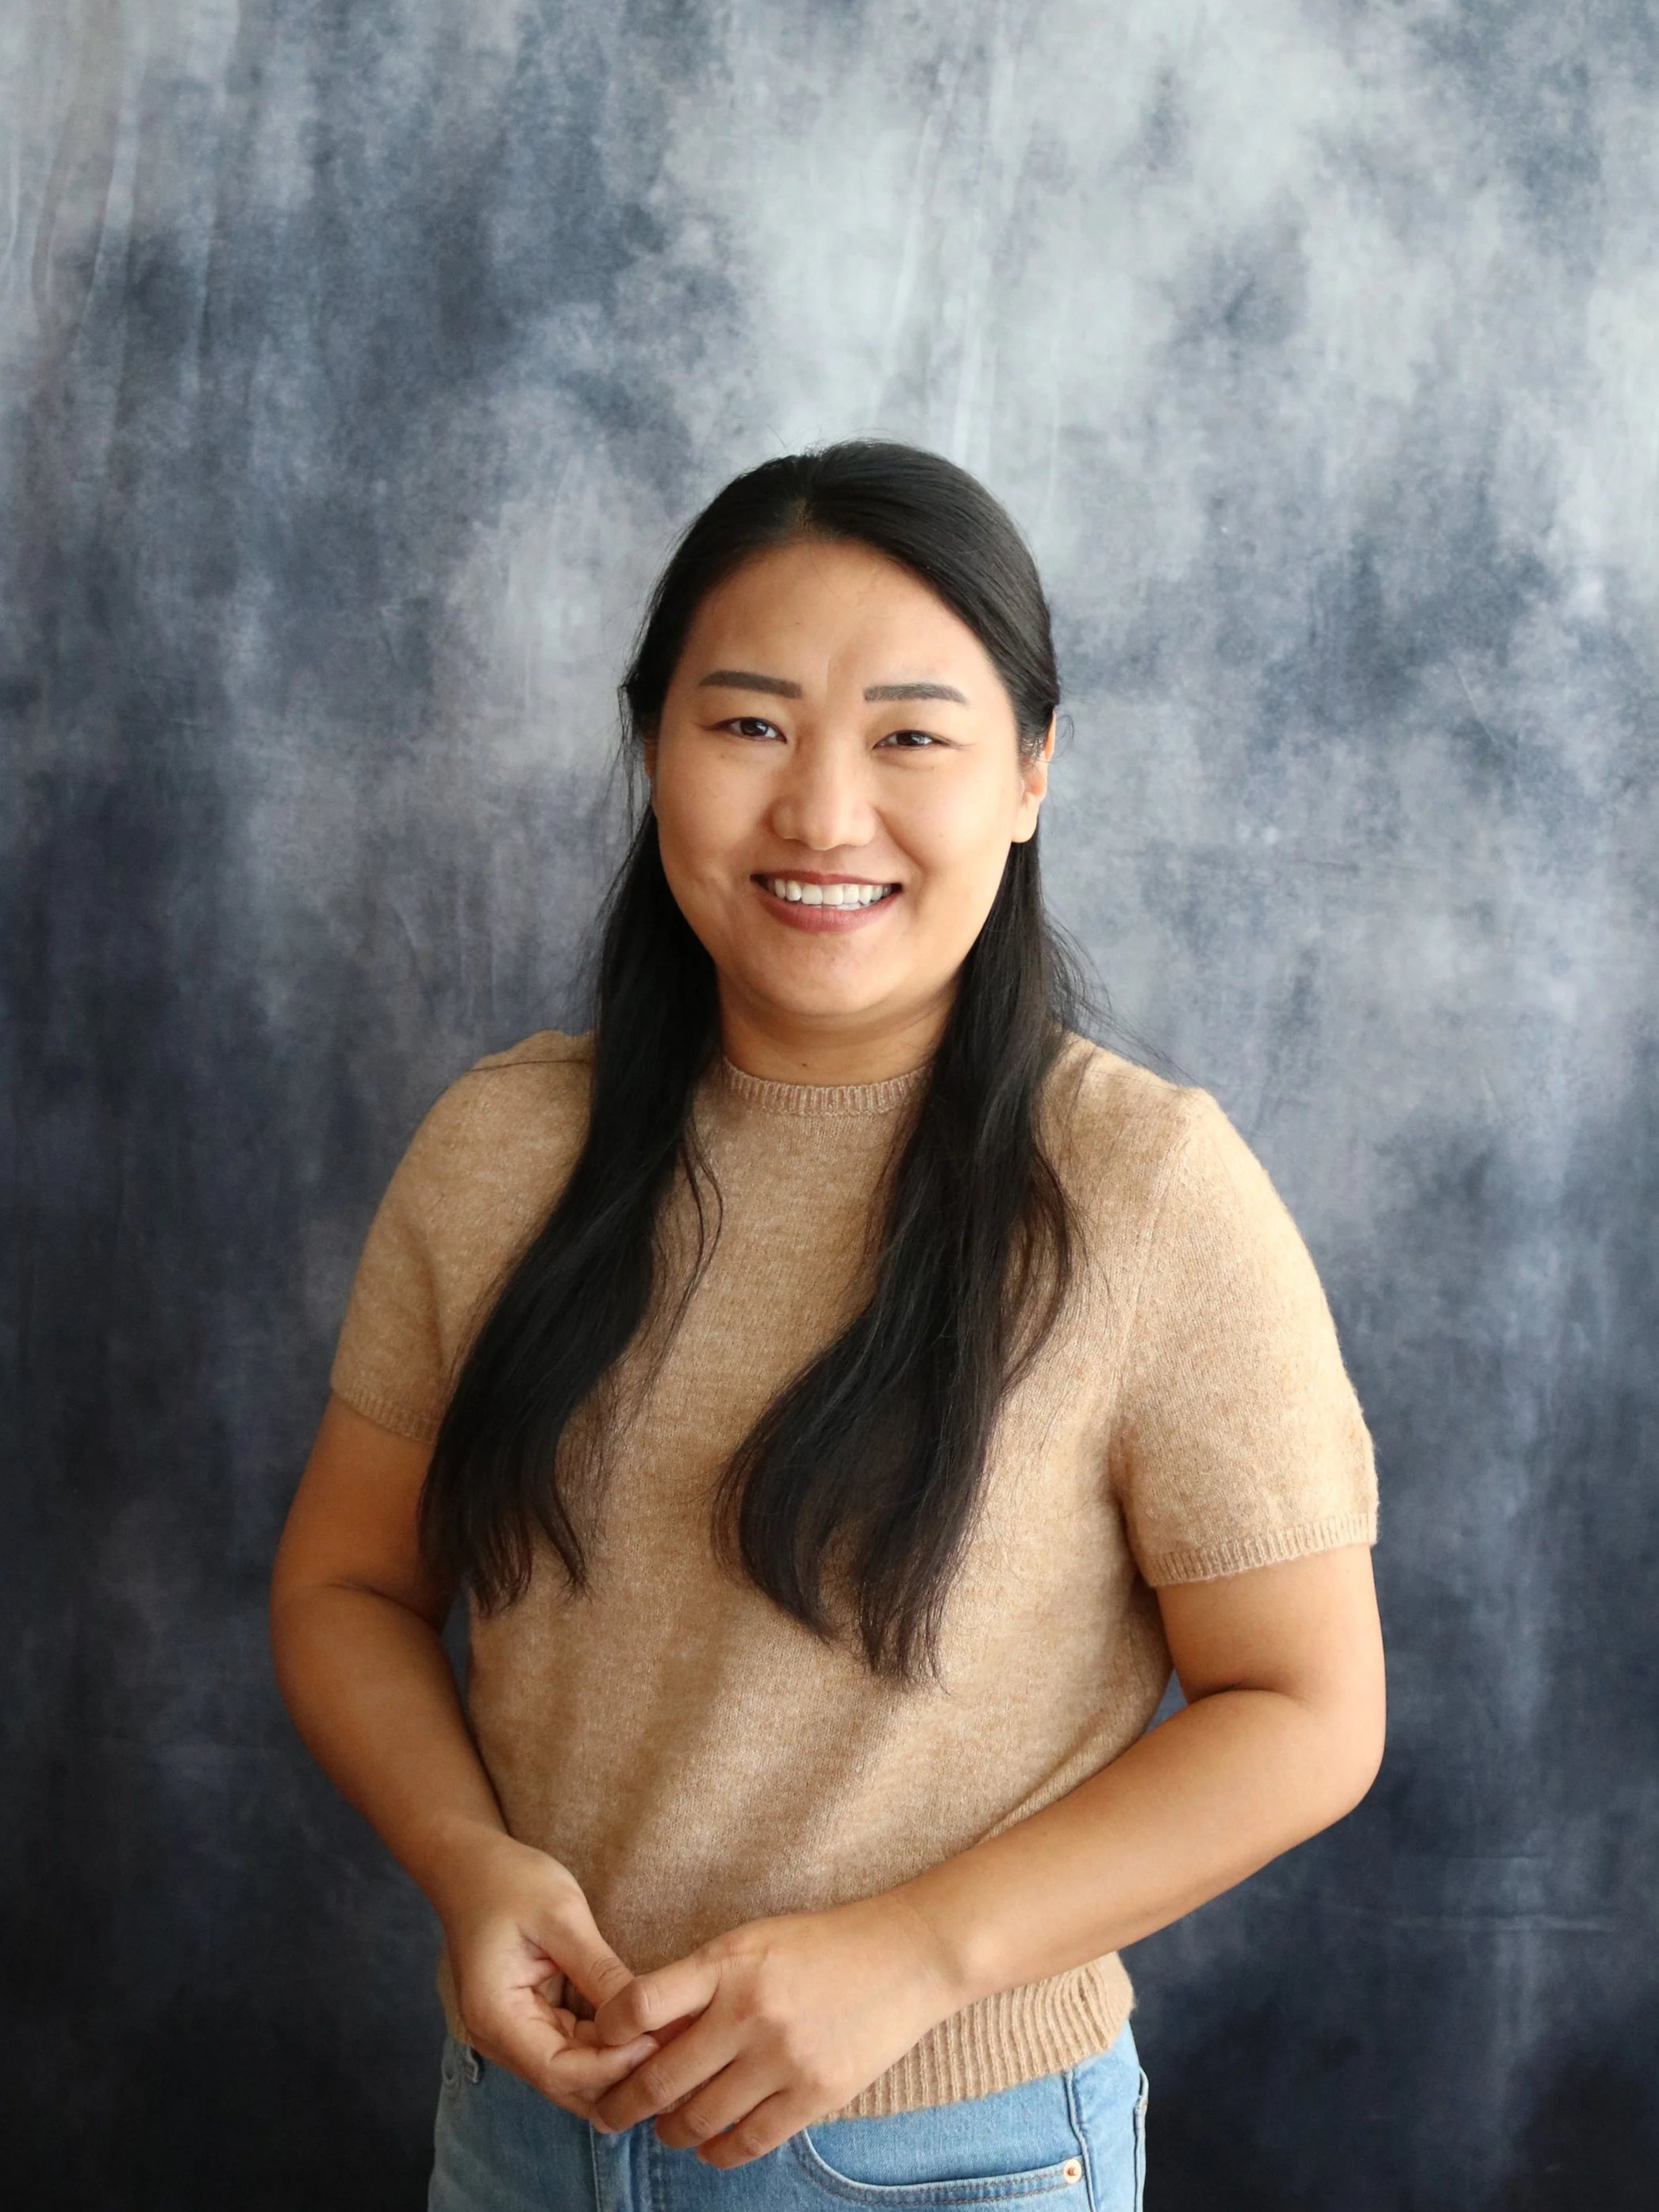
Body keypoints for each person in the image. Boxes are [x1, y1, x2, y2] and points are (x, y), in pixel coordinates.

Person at [270, 440, 1384, 2210]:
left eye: (913, 736)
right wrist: (468, 1863)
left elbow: (1308, 1703)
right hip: (526, 2127)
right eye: (750, 725)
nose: (822, 814)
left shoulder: (1143, 1190)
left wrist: (918, 1956)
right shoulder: (503, 1149)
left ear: (1028, 774)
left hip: (956, 2153)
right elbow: (346, 1583)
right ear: (654, 751)